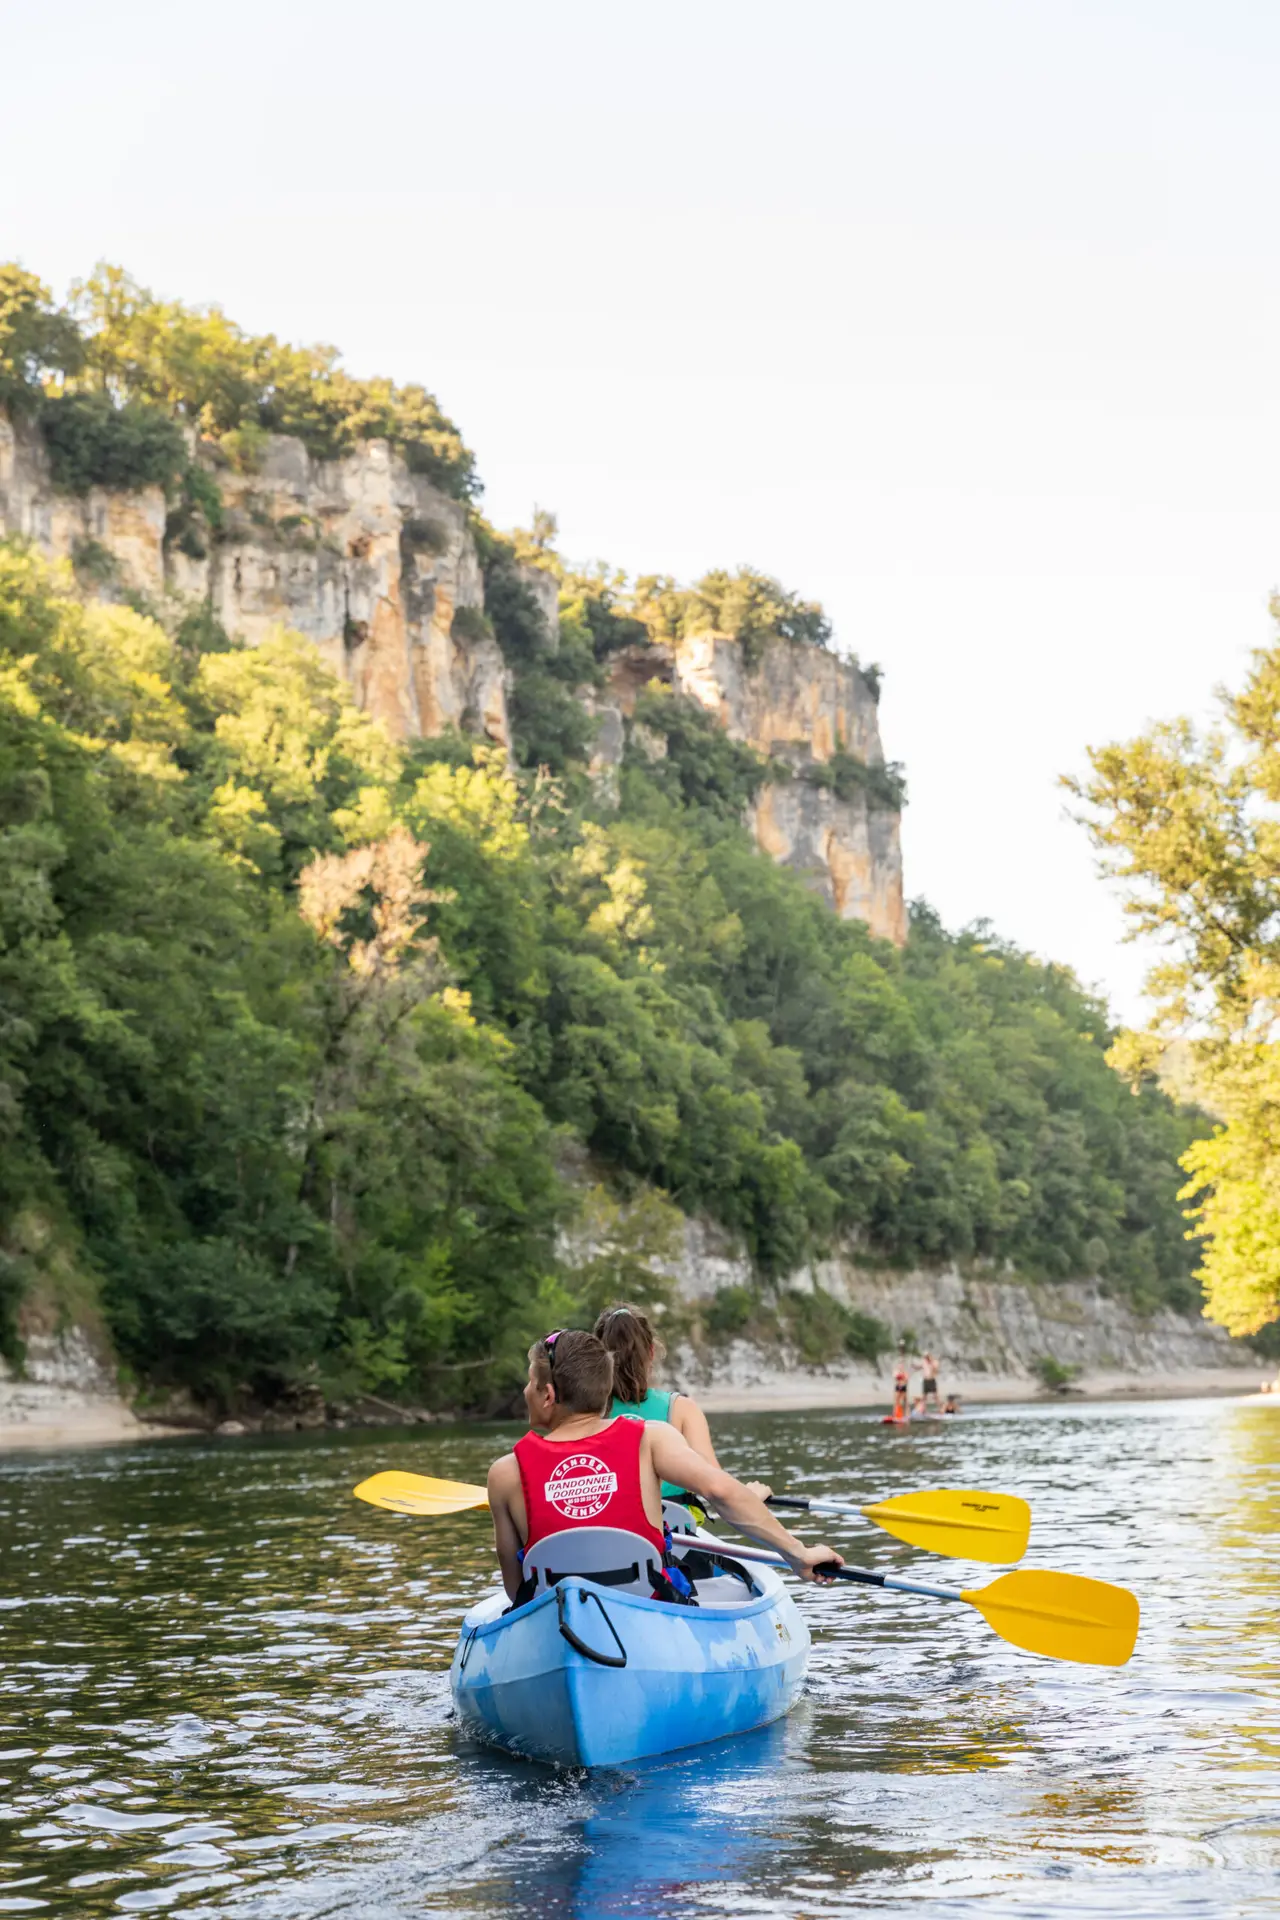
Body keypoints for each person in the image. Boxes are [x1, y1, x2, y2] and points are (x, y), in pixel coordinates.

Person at [486, 1329, 843, 1605]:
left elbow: (516, 1588)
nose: (524, 1391)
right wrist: (798, 1553)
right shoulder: (652, 1439)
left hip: (556, 1617)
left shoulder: (504, 1474)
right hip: (647, 1607)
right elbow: (720, 1491)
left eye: (530, 1382)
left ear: (548, 1395)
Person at [594, 1303, 770, 1499]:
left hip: (614, 1526)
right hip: (674, 1525)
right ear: (651, 1352)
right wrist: (750, 1495)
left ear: (600, 1360)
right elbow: (718, 1485)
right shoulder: (682, 1410)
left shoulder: (586, 1414)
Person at [891, 1342, 910, 1421]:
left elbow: (906, 1378)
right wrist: (900, 1376)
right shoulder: (896, 1371)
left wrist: (904, 1377)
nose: (900, 1366)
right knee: (896, 1401)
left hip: (903, 1386)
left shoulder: (904, 1370)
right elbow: (895, 1377)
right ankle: (895, 1415)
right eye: (900, 1365)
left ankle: (907, 1415)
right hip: (898, 1386)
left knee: (905, 1401)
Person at [921, 1350, 940, 1414]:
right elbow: (921, 1367)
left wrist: (931, 1363)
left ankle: (940, 1409)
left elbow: (936, 1370)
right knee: (924, 1396)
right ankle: (923, 1410)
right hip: (925, 1380)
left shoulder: (935, 1362)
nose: (926, 1358)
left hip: (932, 1380)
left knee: (935, 1396)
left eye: (927, 1356)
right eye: (925, 1357)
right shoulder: (924, 1362)